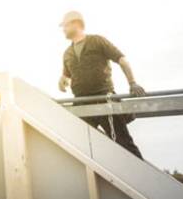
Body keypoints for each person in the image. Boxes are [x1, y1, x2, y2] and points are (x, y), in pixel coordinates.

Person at [57, 10, 145, 158]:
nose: (63, 30)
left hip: (105, 100)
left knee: (124, 145)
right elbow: (66, 75)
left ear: (75, 23)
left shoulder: (97, 41)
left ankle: (144, 177)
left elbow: (122, 60)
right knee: (76, 145)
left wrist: (133, 83)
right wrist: (62, 81)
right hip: (80, 103)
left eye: (65, 26)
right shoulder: (67, 53)